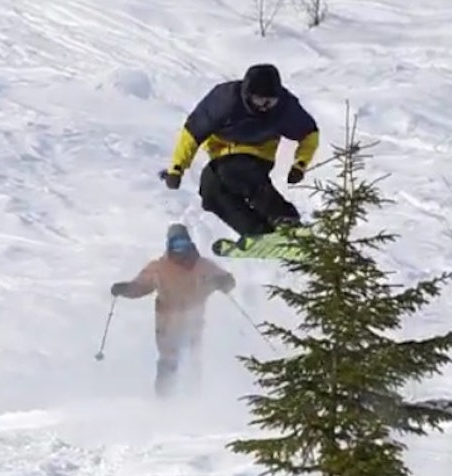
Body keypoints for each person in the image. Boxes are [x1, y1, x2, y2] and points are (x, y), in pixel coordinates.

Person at [159, 64, 321, 245]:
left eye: (271, 101)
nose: (265, 107)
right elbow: (192, 132)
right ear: (247, 94)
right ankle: (257, 232)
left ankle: (286, 219)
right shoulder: (225, 100)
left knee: (236, 170)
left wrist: (300, 164)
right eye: (260, 101)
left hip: (259, 152)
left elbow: (310, 134)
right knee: (210, 190)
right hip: (220, 152)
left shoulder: (284, 107)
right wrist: (177, 168)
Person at [110, 224, 236, 397]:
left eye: (184, 244)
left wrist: (224, 282)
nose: (180, 250)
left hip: (194, 320)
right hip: (167, 322)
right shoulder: (159, 267)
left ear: (190, 244)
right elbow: (140, 286)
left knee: (193, 360)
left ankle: (193, 400)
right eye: (176, 245)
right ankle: (164, 402)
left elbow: (226, 281)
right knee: (169, 360)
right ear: (169, 246)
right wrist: (125, 289)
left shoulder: (203, 266)